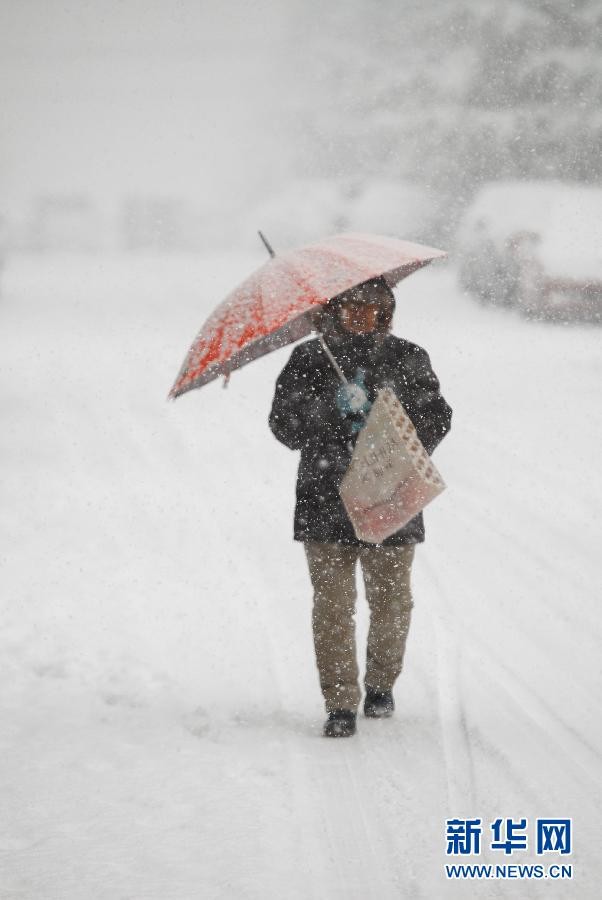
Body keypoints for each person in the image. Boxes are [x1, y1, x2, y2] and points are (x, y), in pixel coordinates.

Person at [268, 277, 452, 737]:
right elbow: (284, 427)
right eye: (352, 307)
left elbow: (437, 417)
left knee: (392, 604)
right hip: (324, 500)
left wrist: (386, 422)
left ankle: (381, 684)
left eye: (372, 308)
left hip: (392, 498)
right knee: (332, 608)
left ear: (386, 312)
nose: (361, 315)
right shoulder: (309, 359)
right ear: (334, 310)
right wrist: (329, 413)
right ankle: (339, 703)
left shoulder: (408, 358)